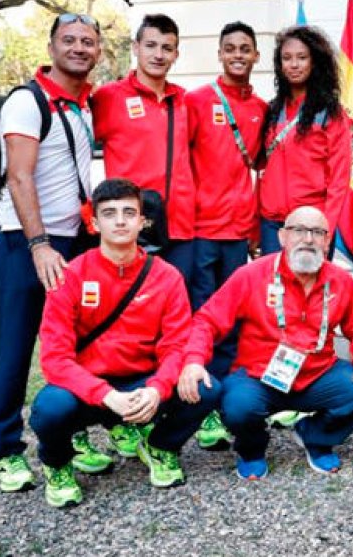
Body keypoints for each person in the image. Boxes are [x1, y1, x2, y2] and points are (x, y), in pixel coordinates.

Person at [30, 178, 217, 508]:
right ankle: (57, 466)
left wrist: (157, 389)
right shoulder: (71, 275)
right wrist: (105, 395)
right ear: (94, 223)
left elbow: (176, 345)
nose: (120, 221)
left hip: (141, 383)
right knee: (49, 408)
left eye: (129, 213)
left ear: (142, 221)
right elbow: (55, 358)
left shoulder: (166, 276)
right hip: (89, 387)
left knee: (206, 387)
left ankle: (160, 446)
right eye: (110, 213)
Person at [0, 12, 104, 493]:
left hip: (75, 239)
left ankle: (70, 436)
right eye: (69, 40)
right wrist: (39, 245)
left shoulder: (83, 104)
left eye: (88, 42)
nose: (78, 48)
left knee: (74, 347)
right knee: (13, 347)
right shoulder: (27, 100)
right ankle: (6, 451)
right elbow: (19, 176)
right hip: (25, 240)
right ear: (51, 46)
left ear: (98, 51)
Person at [183, 206, 353, 479]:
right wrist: (194, 361)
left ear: (327, 241)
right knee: (238, 406)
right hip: (259, 376)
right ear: (282, 237)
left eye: (317, 232)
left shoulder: (340, 281)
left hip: (318, 374)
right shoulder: (252, 275)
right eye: (299, 230)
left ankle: (315, 437)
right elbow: (207, 320)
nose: (308, 239)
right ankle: (251, 450)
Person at [184, 21, 267, 450]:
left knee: (234, 320)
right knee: (202, 316)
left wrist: (254, 227)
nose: (238, 54)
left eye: (245, 48)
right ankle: (202, 408)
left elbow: (260, 169)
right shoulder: (197, 100)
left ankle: (227, 402)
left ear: (255, 56)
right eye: (230, 48)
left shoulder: (261, 108)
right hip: (200, 229)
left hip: (238, 231)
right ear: (219, 53)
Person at [92, 14, 196, 279]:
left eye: (167, 48)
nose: (158, 55)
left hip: (180, 228)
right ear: (136, 47)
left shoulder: (185, 101)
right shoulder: (108, 98)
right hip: (130, 227)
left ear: (176, 54)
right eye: (150, 45)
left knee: (177, 300)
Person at [256, 25, 351, 256]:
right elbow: (262, 171)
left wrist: (325, 230)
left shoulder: (330, 113)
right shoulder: (272, 110)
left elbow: (339, 179)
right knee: (273, 280)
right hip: (272, 224)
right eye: (287, 58)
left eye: (302, 57)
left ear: (314, 62)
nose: (294, 64)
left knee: (311, 281)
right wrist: (254, 227)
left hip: (312, 224)